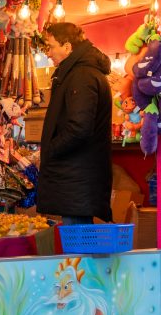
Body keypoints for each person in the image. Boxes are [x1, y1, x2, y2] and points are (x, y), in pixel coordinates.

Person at [36, 22, 112, 225]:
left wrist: (50, 149)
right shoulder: (79, 73)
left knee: (78, 249)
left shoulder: (82, 76)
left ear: (67, 47)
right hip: (76, 179)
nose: (48, 53)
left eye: (51, 46)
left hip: (76, 180)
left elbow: (79, 128)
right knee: (78, 244)